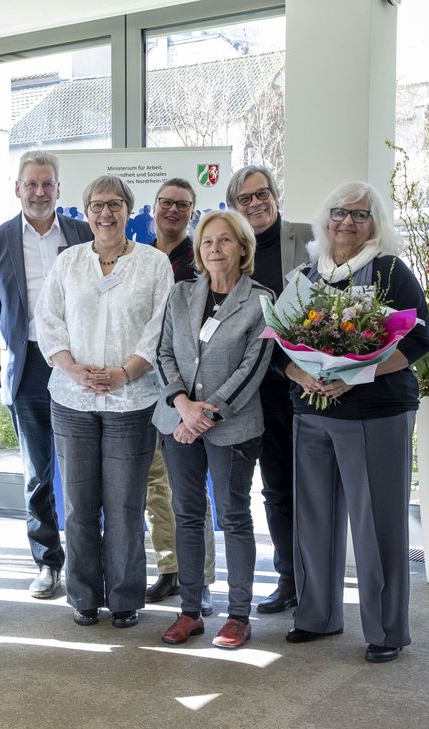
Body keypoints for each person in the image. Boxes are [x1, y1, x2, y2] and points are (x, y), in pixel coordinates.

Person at [282, 182, 429, 664]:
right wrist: (306, 374)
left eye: (360, 215)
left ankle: (387, 631)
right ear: (325, 219)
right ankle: (317, 616)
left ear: (375, 224)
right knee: (315, 518)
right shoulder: (305, 275)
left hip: (375, 411)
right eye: (339, 212)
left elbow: (417, 340)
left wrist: (355, 374)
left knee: (377, 524)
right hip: (312, 410)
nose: (347, 222)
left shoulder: (390, 271)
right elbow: (276, 344)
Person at [36, 175, 173, 629]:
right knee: (78, 505)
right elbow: (48, 320)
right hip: (72, 400)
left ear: (129, 210)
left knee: (125, 506)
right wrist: (73, 369)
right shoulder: (69, 262)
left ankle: (126, 598)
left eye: (115, 204)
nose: (105, 213)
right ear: (86, 211)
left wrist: (124, 372)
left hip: (132, 400)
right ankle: (84, 596)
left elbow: (159, 328)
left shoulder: (154, 264)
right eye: (96, 205)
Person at [154, 209, 274, 649]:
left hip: (233, 428)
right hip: (177, 422)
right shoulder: (182, 294)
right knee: (187, 515)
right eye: (207, 242)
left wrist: (207, 415)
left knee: (234, 516)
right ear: (198, 251)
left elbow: (253, 367)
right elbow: (163, 352)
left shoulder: (261, 300)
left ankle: (238, 616)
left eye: (225, 241)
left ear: (243, 248)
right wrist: (183, 406)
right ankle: (190, 611)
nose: (215, 249)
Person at [0, 150, 91, 599]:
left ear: (59, 189)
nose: (40, 192)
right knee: (38, 472)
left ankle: (88, 561)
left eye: (48, 184)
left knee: (84, 470)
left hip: (82, 365)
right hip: (27, 366)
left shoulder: (84, 233)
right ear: (18, 189)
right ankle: (48, 563)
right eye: (32, 184)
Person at [227, 165, 311, 614]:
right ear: (233, 207)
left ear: (276, 195)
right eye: (245, 199)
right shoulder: (233, 249)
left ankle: (318, 577)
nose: (256, 204)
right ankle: (289, 580)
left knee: (313, 488)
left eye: (262, 194)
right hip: (256, 391)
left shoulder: (309, 237)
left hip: (309, 385)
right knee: (276, 489)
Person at [144, 178, 216, 617]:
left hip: (187, 392)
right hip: (142, 387)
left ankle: (200, 579)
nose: (173, 210)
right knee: (156, 486)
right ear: (153, 208)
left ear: (193, 211)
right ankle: (169, 568)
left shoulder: (202, 261)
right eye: (166, 203)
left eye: (183, 205)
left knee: (188, 492)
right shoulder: (137, 257)